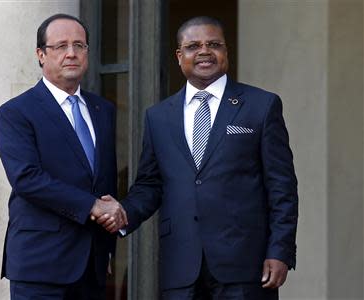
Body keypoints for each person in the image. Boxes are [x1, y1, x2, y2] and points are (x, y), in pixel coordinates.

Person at [97, 16, 298, 299]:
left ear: (225, 52)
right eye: (193, 46)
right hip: (181, 266)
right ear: (179, 57)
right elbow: (150, 185)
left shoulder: (261, 106)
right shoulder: (158, 117)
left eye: (214, 44)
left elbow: (282, 188)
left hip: (244, 267)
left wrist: (280, 251)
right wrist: (122, 214)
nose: (204, 51)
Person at [0, 13, 127, 300]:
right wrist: (92, 206)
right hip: (40, 265)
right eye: (61, 46)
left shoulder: (102, 110)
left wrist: (105, 249)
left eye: (79, 46)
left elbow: (103, 179)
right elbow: (26, 179)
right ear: (41, 55)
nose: (72, 53)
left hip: (91, 265)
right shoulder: (16, 112)